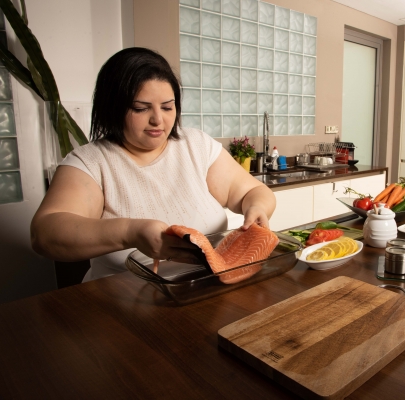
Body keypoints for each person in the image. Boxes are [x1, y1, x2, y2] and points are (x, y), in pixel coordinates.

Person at [30, 47, 276, 282]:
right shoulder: (92, 162)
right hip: (120, 301)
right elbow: (44, 234)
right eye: (140, 108)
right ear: (112, 109)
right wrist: (130, 232)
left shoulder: (196, 145)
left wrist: (257, 207)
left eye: (168, 107)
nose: (158, 119)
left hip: (205, 286)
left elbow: (251, 192)